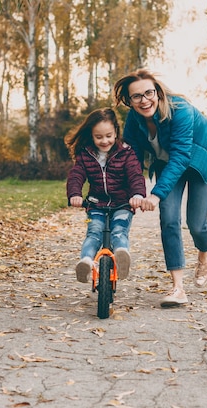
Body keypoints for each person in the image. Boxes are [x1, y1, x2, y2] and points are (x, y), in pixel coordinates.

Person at [113, 69, 207, 308]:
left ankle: (204, 254)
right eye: (137, 97)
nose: (144, 100)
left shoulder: (180, 110)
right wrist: (135, 190)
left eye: (149, 93)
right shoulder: (134, 120)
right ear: (129, 101)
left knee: (196, 223)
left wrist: (155, 194)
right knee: (169, 219)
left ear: (158, 92)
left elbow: (181, 157)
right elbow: (131, 157)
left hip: (201, 158)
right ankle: (178, 288)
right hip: (167, 162)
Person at [65, 108, 146, 283]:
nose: (104, 141)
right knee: (94, 232)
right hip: (95, 203)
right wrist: (75, 194)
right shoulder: (86, 154)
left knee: (119, 231)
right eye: (99, 137)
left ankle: (122, 256)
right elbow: (76, 175)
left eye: (109, 135)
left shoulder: (126, 152)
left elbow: (135, 175)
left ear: (116, 131)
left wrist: (137, 194)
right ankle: (86, 262)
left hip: (123, 203)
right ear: (92, 135)